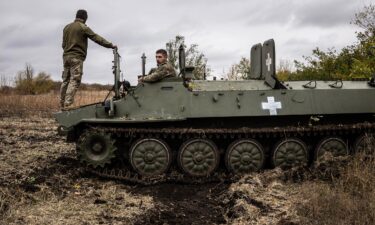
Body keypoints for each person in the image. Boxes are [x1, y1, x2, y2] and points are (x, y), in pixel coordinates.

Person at [60, 9, 117, 110]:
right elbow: (96, 38)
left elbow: (63, 44)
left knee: (65, 80)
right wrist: (110, 45)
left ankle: (61, 103)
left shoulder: (66, 27)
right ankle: (67, 105)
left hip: (66, 57)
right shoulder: (83, 27)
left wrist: (68, 51)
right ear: (85, 18)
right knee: (75, 80)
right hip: (76, 57)